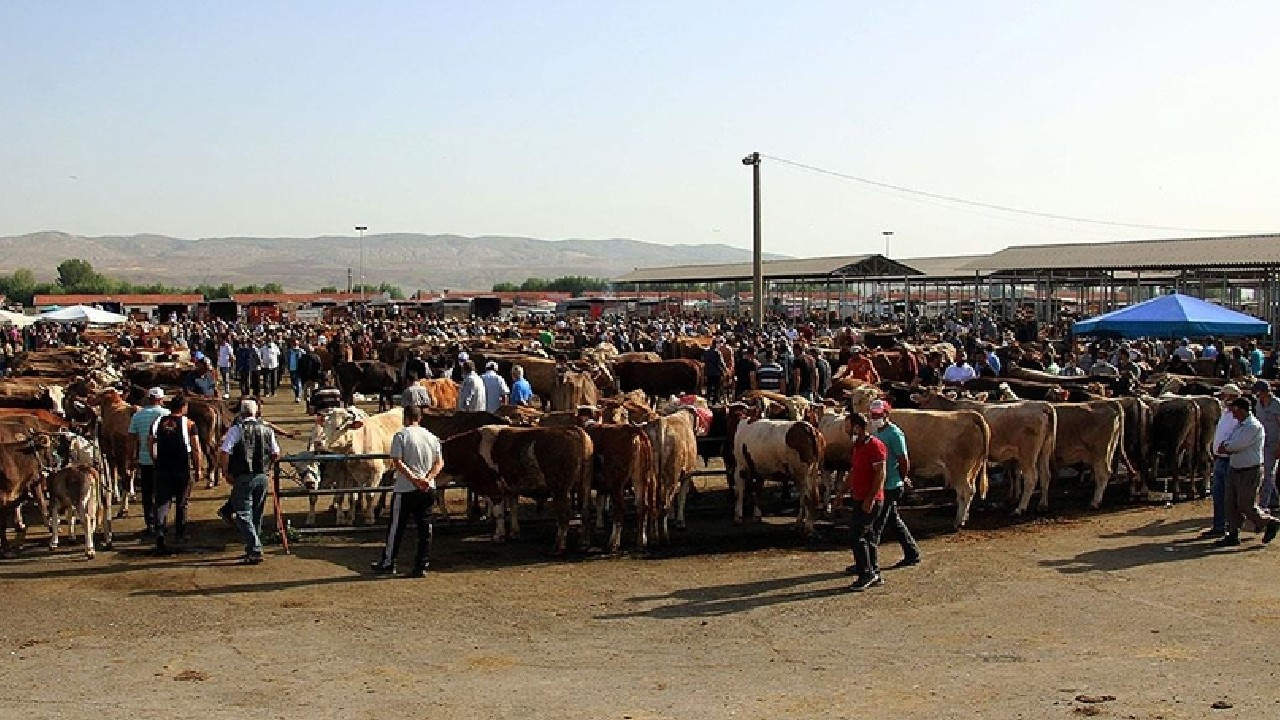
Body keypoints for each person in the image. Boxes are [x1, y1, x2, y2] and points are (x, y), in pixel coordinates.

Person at [372, 405, 444, 578]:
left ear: (405, 417)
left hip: (405, 488)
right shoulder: (432, 437)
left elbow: (397, 461)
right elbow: (439, 463)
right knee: (425, 527)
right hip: (428, 488)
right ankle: (421, 564)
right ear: (420, 418)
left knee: (397, 527)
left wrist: (414, 479)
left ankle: (389, 562)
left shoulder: (401, 435)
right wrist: (427, 479)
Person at [217, 399, 280, 564]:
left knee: (243, 513)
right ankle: (253, 547)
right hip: (262, 475)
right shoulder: (267, 429)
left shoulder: (236, 429)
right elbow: (275, 453)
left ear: (241, 413)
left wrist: (225, 472)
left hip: (243, 475)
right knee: (257, 513)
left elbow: (225, 452)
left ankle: (255, 548)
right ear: (256, 412)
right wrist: (269, 466)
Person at [1213, 396, 1280, 547]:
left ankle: (1268, 522)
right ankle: (1233, 533)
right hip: (1236, 467)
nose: (1233, 414)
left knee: (1245, 503)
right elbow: (1231, 441)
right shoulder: (1240, 425)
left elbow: (1237, 444)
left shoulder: (1253, 426)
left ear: (1242, 410)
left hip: (1249, 469)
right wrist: (1227, 445)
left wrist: (1227, 447)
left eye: (1235, 410)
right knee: (1230, 502)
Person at [868, 400, 921, 568]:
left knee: (876, 523)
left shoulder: (895, 434)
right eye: (872, 415)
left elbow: (903, 460)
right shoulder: (877, 432)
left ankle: (868, 562)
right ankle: (912, 552)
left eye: (877, 415)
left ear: (886, 414)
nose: (874, 418)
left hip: (891, 484)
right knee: (892, 520)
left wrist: (903, 477)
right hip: (882, 483)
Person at [149, 395, 202, 554]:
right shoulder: (189, 423)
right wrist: (198, 467)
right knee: (182, 501)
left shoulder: (158, 421)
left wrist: (154, 458)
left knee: (162, 501)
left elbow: (150, 441)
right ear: (184, 407)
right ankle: (179, 533)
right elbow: (196, 447)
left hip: (162, 465)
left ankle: (160, 531)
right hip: (181, 465)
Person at [844, 411, 886, 591]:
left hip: (870, 499)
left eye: (847, 425)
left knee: (857, 536)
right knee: (867, 536)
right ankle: (873, 570)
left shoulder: (875, 446)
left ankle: (866, 573)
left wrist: (870, 499)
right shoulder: (857, 446)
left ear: (856, 427)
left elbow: (880, 474)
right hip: (859, 497)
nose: (845, 429)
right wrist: (841, 493)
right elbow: (853, 471)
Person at [127, 387, 171, 537]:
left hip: (144, 459)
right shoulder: (167, 414)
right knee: (163, 493)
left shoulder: (137, 416)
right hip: (163, 459)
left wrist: (132, 457)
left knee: (147, 493)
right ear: (160, 400)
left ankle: (150, 523)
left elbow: (132, 439)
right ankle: (162, 522)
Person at [1202, 384, 1242, 539]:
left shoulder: (1239, 417)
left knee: (1230, 496)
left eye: (1224, 396)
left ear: (1231, 397)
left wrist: (1226, 448)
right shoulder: (1226, 413)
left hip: (1231, 458)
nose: (1222, 399)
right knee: (1218, 494)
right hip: (1221, 458)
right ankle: (1219, 525)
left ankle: (1232, 527)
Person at [1253, 380, 1280, 510]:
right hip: (1261, 441)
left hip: (1274, 443)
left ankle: (1263, 504)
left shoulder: (1277, 405)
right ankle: (1274, 500)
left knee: (1268, 473)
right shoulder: (1258, 404)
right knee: (1267, 473)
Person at [703, 339, 726, 403]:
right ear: (716, 344)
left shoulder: (706, 352)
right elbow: (721, 363)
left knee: (709, 386)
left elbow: (704, 361)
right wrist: (725, 370)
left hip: (708, 372)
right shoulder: (717, 352)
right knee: (716, 387)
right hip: (716, 373)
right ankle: (714, 400)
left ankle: (707, 399)